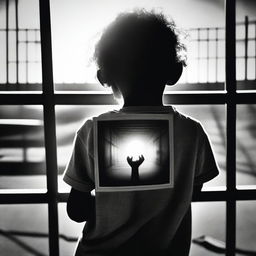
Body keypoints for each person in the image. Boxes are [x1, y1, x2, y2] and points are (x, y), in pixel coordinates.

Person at [63, 9, 219, 256]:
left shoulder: (92, 131)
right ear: (175, 72)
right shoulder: (192, 132)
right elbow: (188, 194)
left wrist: (113, 205)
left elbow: (76, 210)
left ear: (103, 77)